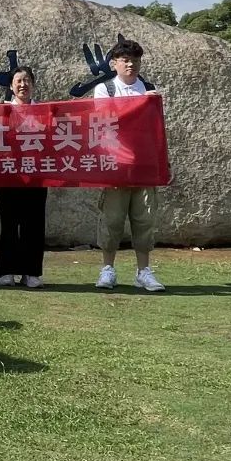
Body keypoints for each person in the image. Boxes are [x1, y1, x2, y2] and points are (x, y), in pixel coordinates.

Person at [94, 40, 166, 292]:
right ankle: (107, 269)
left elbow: (156, 131)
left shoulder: (148, 89)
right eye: (125, 60)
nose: (131, 64)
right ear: (114, 63)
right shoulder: (105, 89)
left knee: (144, 219)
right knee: (112, 220)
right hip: (116, 165)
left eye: (135, 60)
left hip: (144, 165)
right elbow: (103, 121)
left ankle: (143, 271)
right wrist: (140, 104)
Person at [0, 66, 48, 288]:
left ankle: (31, 272)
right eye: (18, 81)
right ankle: (6, 270)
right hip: (8, 174)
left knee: (34, 224)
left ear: (33, 84)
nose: (23, 85)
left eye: (27, 80)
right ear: (11, 87)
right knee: (9, 224)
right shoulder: (1, 111)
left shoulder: (43, 112)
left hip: (36, 174)